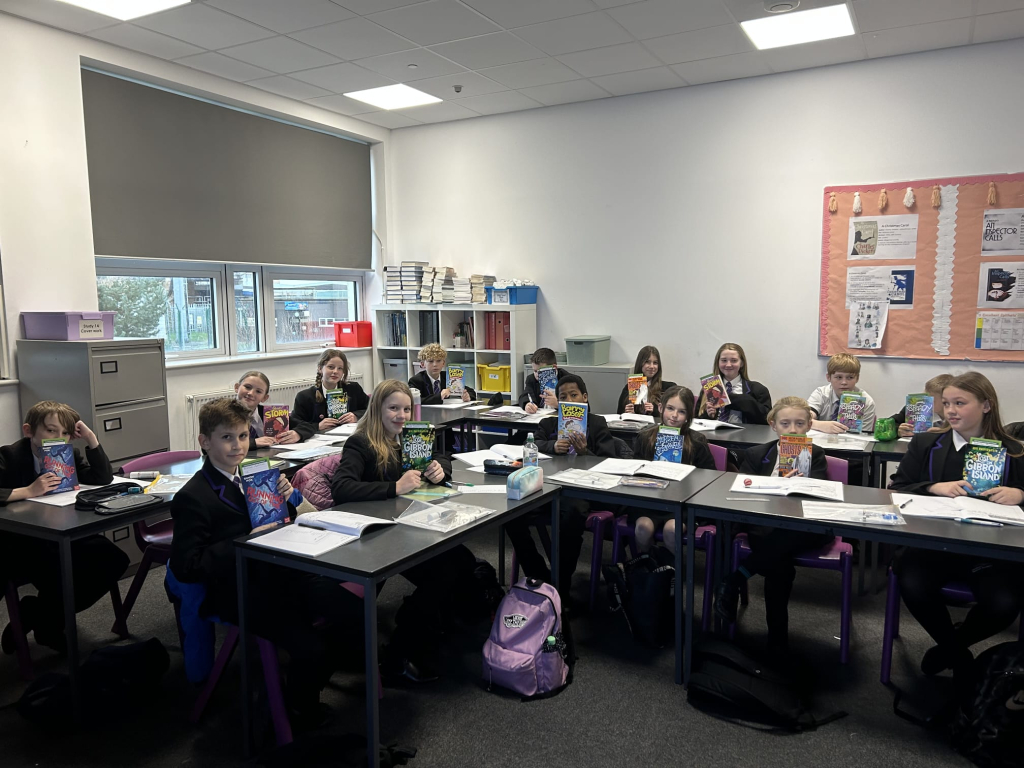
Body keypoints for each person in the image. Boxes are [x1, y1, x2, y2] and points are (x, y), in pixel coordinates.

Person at [170, 398, 363, 723]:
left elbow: (279, 522)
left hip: (282, 572)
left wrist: (286, 500)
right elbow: (187, 567)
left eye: (243, 436)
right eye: (227, 437)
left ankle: (304, 687)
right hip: (239, 588)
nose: (237, 445)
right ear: (205, 442)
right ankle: (299, 707)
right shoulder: (193, 496)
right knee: (310, 645)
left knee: (355, 614)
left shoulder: (255, 475)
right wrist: (246, 540)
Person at [330, 379, 498, 681]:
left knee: (461, 560)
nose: (401, 415)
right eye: (393, 408)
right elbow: (341, 488)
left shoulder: (410, 439)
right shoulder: (362, 443)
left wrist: (439, 469)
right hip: (375, 536)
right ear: (377, 409)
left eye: (406, 409)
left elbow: (440, 460)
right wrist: (393, 487)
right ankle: (399, 652)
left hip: (408, 525)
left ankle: (434, 625)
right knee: (443, 572)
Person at [890, 372, 1024, 677]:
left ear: (986, 405)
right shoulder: (926, 443)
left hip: (990, 552)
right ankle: (959, 657)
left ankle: (949, 647)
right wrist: (933, 487)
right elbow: (900, 485)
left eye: (960, 403)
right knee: (912, 582)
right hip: (932, 545)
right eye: (947, 403)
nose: (950, 410)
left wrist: (1020, 493)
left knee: (1005, 603)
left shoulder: (1015, 451)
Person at [0, 401, 129, 656]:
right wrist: (28, 491)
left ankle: (38, 615)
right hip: (23, 542)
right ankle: (48, 624)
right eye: (50, 431)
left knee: (113, 559)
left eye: (65, 433)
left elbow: (102, 477)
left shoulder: (67, 455)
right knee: (63, 571)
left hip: (63, 531)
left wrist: (91, 439)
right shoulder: (9, 456)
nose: (58, 438)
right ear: (29, 431)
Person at [714, 397, 830, 653]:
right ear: (773, 425)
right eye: (785, 423)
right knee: (780, 565)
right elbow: (742, 492)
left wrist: (801, 484)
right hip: (766, 524)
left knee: (781, 544)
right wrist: (776, 484)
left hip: (803, 527)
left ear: (809, 425)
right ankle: (777, 643)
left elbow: (823, 494)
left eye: (800, 423)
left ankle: (736, 577)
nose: (793, 429)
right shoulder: (757, 454)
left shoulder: (817, 454)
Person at [506, 374, 616, 595]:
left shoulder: (596, 423)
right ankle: (539, 574)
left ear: (584, 398)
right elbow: (534, 443)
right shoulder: (548, 423)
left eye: (574, 395)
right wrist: (552, 446)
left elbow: (609, 461)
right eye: (563, 397)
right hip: (547, 487)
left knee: (572, 514)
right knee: (511, 513)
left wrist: (585, 452)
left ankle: (560, 584)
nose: (569, 400)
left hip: (580, 492)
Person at [630, 386, 716, 553]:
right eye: (670, 408)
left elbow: (710, 476)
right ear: (661, 408)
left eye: (681, 411)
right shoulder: (645, 436)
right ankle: (646, 569)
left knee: (672, 529)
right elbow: (636, 469)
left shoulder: (697, 441)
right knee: (643, 528)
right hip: (650, 500)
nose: (674, 415)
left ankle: (673, 572)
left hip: (682, 503)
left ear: (688, 416)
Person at [292, 349, 369, 441]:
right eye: (331, 367)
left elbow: (372, 409)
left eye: (340, 368)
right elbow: (295, 423)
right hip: (319, 441)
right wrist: (317, 426)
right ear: (320, 369)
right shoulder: (304, 396)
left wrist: (356, 416)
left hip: (350, 438)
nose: (335, 371)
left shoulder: (353, 389)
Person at [696, 343, 771, 425]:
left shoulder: (758, 390)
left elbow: (768, 420)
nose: (728, 365)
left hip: (746, 436)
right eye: (724, 360)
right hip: (714, 437)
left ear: (741, 363)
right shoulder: (709, 388)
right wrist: (709, 415)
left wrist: (739, 400)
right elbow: (696, 421)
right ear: (718, 363)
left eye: (734, 360)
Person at [807, 353, 876, 434]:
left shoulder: (867, 402)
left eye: (850, 377)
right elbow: (804, 419)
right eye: (839, 377)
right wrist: (821, 425)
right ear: (829, 377)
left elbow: (864, 435)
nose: (844, 382)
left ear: (857, 378)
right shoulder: (821, 394)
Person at [409, 343, 476, 406]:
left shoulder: (448, 377)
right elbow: (413, 401)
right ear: (423, 364)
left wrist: (467, 396)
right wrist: (439, 396)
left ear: (443, 363)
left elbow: (471, 391)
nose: (435, 365)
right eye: (430, 361)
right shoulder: (416, 380)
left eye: (438, 361)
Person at [615, 345, 675, 415]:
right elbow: (619, 415)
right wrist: (627, 413)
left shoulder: (668, 388)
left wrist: (655, 411)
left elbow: (672, 415)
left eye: (655, 363)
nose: (652, 366)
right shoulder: (628, 389)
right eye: (647, 362)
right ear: (640, 364)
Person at [891, 373, 953, 437]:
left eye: (930, 400)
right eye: (924, 397)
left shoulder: (956, 416)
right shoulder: (915, 408)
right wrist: (897, 430)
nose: (925, 402)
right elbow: (889, 423)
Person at [518, 347, 568, 414]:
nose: (537, 375)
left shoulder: (568, 380)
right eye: (535, 371)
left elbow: (580, 405)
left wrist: (559, 404)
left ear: (554, 367)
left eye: (541, 371)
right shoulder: (532, 379)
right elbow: (525, 395)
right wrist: (527, 404)